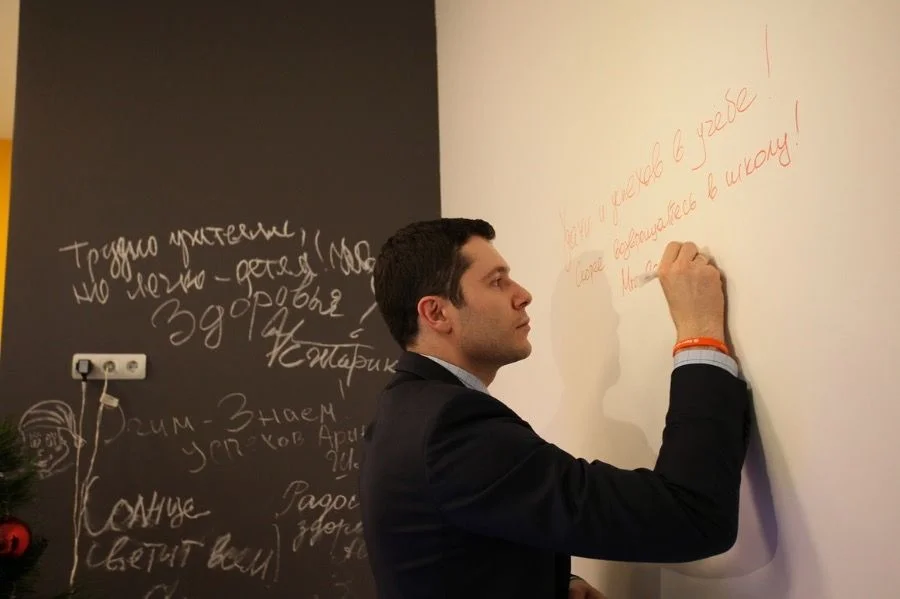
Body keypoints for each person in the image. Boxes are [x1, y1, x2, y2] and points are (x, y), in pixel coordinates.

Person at [358, 218, 750, 599]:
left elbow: (453, 552)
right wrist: (700, 335)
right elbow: (691, 517)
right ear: (437, 314)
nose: (523, 294)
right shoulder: (452, 427)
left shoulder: (405, 411)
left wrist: (549, 583)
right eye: (497, 281)